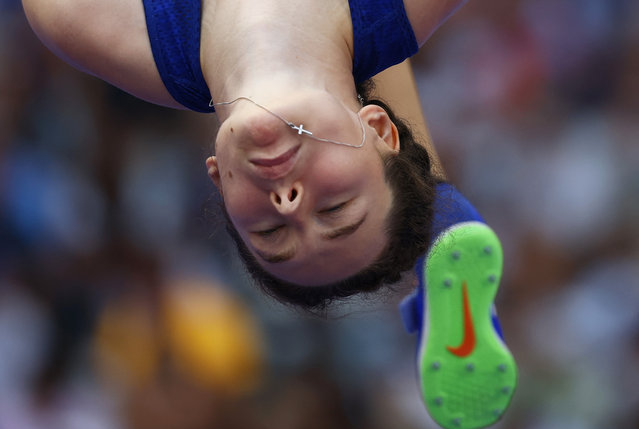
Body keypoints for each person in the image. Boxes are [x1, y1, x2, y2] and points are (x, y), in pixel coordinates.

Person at [21, 0, 473, 310]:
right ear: (378, 130)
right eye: (335, 209)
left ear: (219, 178)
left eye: (270, 232)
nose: (289, 203)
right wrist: (439, 215)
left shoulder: (82, 19)